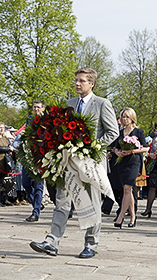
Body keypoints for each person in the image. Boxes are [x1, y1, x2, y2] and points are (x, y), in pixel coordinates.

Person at [30, 67, 119, 258]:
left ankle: (91, 244)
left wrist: (92, 145)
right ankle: (52, 241)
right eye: (76, 80)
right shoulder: (69, 104)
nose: (77, 84)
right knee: (62, 201)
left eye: (81, 81)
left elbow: (113, 132)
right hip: (68, 163)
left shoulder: (102, 104)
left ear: (91, 83)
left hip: (91, 163)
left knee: (93, 205)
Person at [112, 107, 147, 228]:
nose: (125, 119)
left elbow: (145, 147)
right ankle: (133, 216)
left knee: (127, 188)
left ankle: (120, 216)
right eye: (123, 117)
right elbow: (115, 147)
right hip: (122, 163)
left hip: (134, 163)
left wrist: (132, 151)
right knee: (128, 191)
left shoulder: (138, 132)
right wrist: (118, 153)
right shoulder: (120, 133)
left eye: (127, 117)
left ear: (132, 118)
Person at [22, 100, 46, 222]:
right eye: (34, 107)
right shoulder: (29, 119)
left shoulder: (46, 119)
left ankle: (35, 212)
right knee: (25, 183)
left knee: (38, 185)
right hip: (29, 154)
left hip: (41, 155)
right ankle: (37, 202)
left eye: (38, 107)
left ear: (43, 108)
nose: (36, 109)